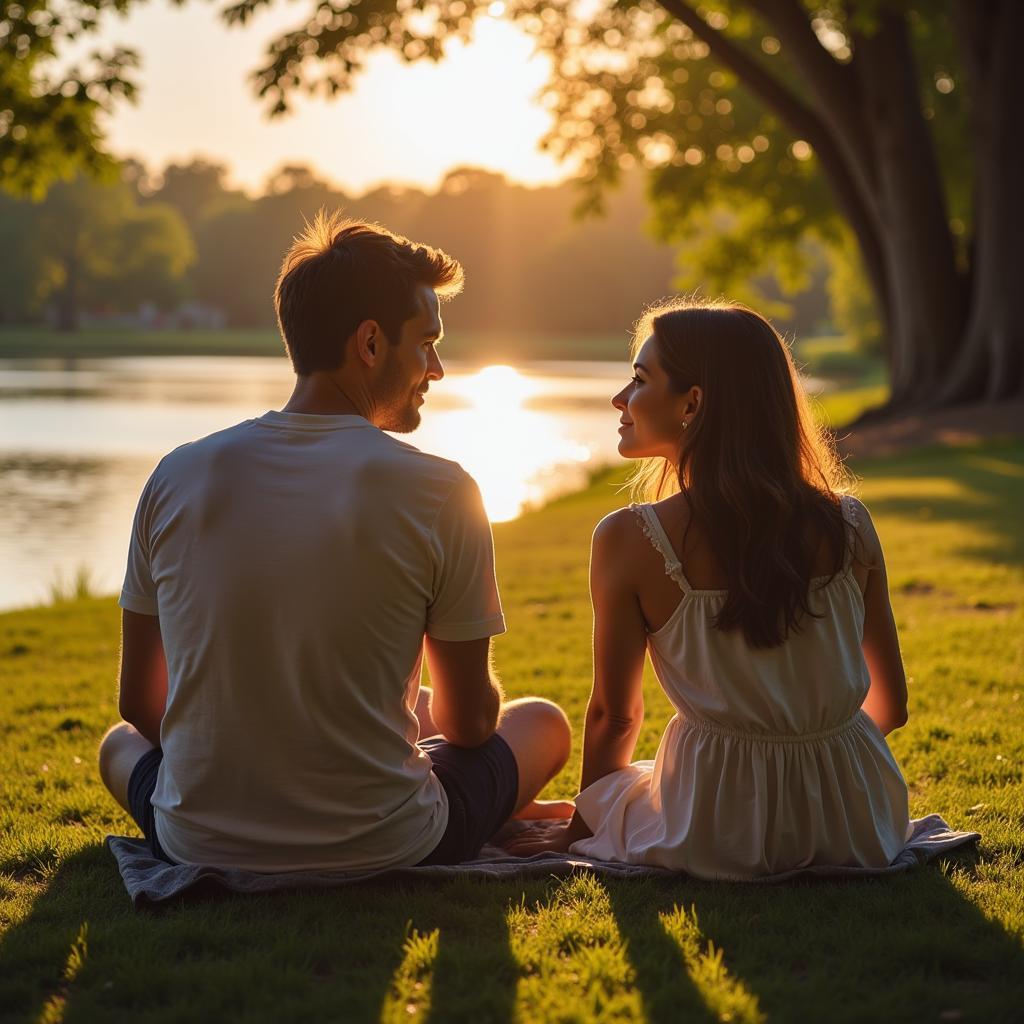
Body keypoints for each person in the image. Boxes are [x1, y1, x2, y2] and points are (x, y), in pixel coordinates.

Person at [97, 212, 571, 872]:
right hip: (388, 843)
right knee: (543, 723)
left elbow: (141, 705)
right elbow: (468, 728)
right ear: (371, 343)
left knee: (118, 744)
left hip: (197, 839)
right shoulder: (441, 490)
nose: (436, 368)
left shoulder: (177, 473)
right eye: (426, 342)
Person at [506, 299, 912, 878]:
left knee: (637, 787)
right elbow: (891, 705)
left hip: (713, 828)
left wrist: (583, 826)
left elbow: (615, 718)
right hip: (857, 823)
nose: (620, 399)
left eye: (641, 380)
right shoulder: (849, 523)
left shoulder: (630, 539)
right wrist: (815, 770)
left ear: (693, 403)